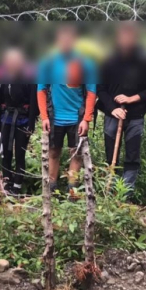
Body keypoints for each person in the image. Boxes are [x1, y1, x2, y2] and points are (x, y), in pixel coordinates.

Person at [96, 23, 146, 198]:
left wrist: (132, 99)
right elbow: (100, 89)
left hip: (135, 115)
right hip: (112, 115)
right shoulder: (107, 60)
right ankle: (109, 190)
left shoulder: (145, 61)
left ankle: (125, 195)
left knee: (132, 155)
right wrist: (113, 108)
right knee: (111, 153)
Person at [37, 25, 97, 197]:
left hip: (77, 117)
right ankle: (52, 189)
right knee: (53, 152)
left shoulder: (85, 63)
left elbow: (91, 92)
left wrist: (86, 119)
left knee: (76, 154)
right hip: (54, 117)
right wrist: (44, 117)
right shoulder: (49, 62)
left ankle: (72, 191)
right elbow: (41, 89)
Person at [0, 48, 38, 196]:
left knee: (20, 153)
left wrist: (31, 124)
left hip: (23, 120)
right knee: (6, 153)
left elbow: (34, 101)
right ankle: (7, 183)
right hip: (6, 119)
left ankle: (17, 186)